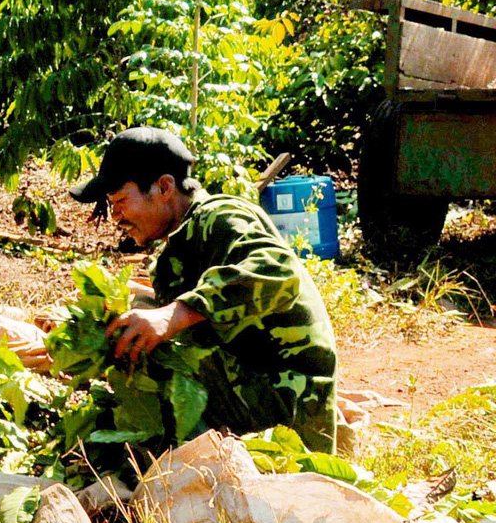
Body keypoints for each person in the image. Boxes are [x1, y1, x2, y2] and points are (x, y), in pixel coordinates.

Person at [73, 126, 339, 452]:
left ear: (165, 187)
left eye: (121, 201)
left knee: (155, 350)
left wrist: (175, 314)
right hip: (253, 393)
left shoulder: (221, 216)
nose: (117, 217)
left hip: (288, 409)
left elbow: (278, 271)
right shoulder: (176, 249)